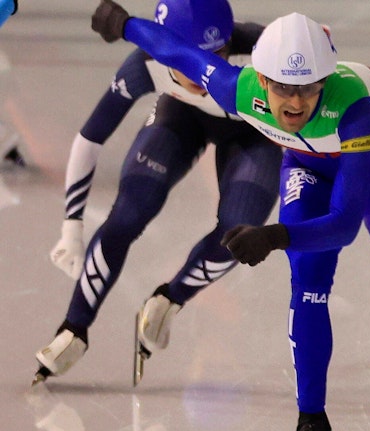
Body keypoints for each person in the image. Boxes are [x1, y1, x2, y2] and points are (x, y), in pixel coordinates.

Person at [92, 3, 370, 431]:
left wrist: (274, 236)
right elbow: (175, 51)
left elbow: (345, 224)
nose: (295, 103)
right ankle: (311, 422)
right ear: (261, 79)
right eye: (282, 88)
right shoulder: (238, 87)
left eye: (308, 89)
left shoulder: (354, 110)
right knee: (308, 285)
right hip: (308, 170)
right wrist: (124, 24)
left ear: (325, 82)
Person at [33, 0, 276, 387]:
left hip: (251, 136)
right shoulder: (145, 63)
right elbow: (90, 138)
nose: (199, 71)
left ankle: (170, 298)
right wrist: (71, 224)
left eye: (215, 55)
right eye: (183, 59)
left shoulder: (261, 52)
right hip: (181, 120)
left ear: (231, 43)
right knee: (127, 214)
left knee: (240, 231)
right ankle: (73, 329)